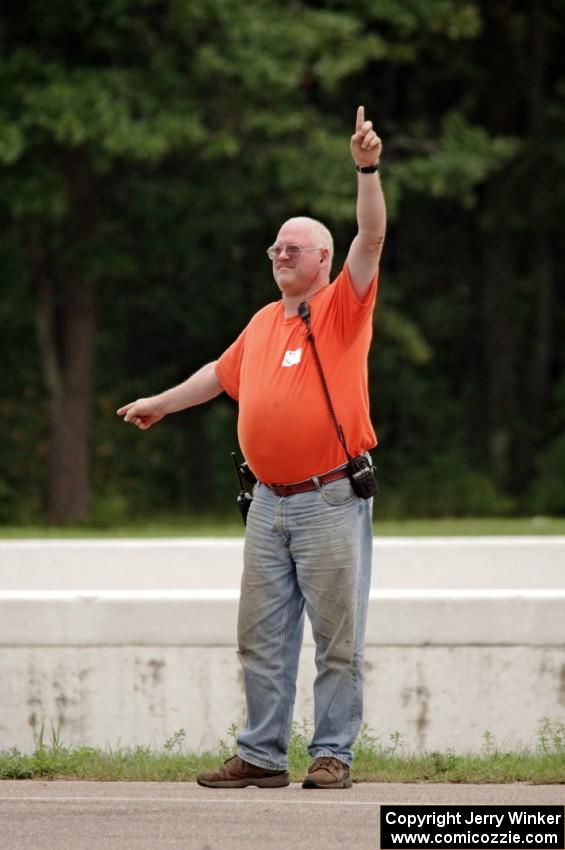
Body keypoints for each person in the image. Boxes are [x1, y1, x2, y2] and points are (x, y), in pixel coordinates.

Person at [117, 105, 386, 789]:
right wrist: (160, 402)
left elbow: (373, 235)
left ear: (322, 259)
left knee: (335, 638)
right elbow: (217, 374)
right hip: (268, 503)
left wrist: (366, 169)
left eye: (291, 248)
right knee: (260, 637)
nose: (279, 255)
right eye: (274, 248)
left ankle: (331, 756)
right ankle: (263, 756)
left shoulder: (341, 309)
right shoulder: (264, 322)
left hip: (329, 496)